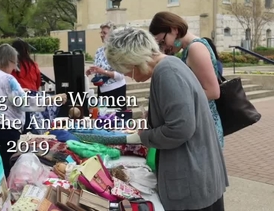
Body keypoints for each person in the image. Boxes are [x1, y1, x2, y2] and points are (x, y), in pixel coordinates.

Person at [104, 26, 228, 211]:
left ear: (133, 60)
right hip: (199, 174)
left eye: (127, 70)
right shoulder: (170, 65)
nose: (129, 76)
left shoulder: (167, 71)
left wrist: (146, 135)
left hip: (191, 180)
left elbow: (180, 128)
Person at [0, 43, 67, 177]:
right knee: (3, 168)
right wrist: (52, 99)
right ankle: (2, 195)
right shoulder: (8, 78)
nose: (13, 69)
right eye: (14, 65)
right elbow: (24, 103)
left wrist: (22, 91)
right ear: (9, 61)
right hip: (3, 129)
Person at [149, 12, 224, 148]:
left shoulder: (195, 48)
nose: (164, 48)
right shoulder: (189, 49)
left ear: (174, 30)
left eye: (163, 42)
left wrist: (178, 101)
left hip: (205, 124)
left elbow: (213, 92)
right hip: (200, 119)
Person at [86, 21, 127, 110]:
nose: (101, 35)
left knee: (116, 120)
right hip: (102, 90)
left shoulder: (117, 51)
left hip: (116, 90)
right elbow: (98, 69)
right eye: (101, 32)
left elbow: (120, 76)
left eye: (104, 33)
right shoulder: (99, 51)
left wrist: (102, 71)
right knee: (103, 118)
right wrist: (92, 71)